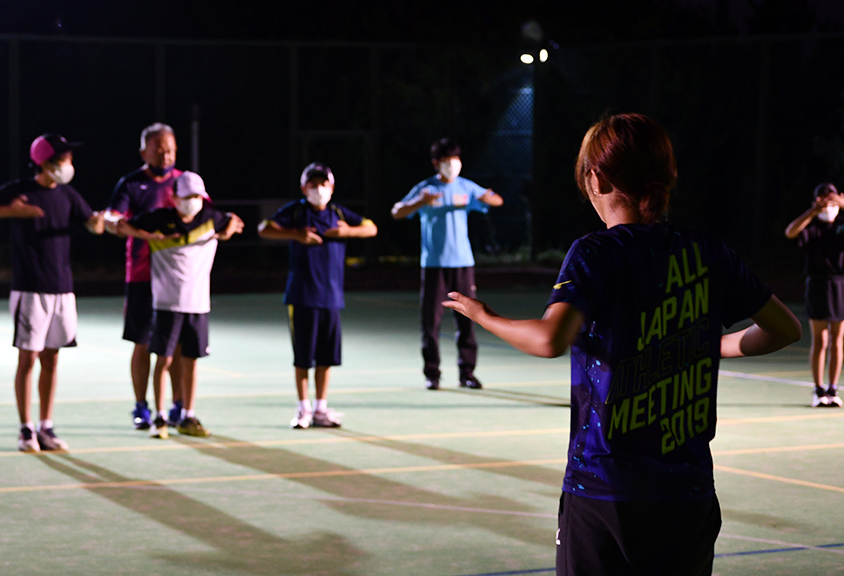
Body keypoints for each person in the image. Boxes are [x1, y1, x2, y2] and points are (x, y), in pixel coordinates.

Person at [443, 113, 800, 575]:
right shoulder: (709, 253)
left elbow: (551, 338)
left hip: (605, 491)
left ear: (596, 177)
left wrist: (485, 316)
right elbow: (785, 329)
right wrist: (718, 344)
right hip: (686, 494)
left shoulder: (596, 252)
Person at [0, 133, 105, 452]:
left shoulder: (68, 194)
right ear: (45, 162)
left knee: (52, 358)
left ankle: (46, 427)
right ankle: (25, 429)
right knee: (27, 358)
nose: (69, 164)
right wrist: (11, 212)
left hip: (63, 289)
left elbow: (92, 224)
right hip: (30, 289)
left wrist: (102, 221)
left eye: (70, 158)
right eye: (64, 158)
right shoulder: (19, 191)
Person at [116, 171, 243, 438]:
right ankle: (160, 418)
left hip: (198, 305)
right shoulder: (159, 219)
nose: (192, 201)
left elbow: (234, 221)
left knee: (191, 361)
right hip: (166, 304)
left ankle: (187, 414)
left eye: (197, 196)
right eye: (187, 197)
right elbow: (122, 226)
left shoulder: (210, 219)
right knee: (163, 359)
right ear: (174, 198)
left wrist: (230, 230)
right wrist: (146, 237)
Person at [258, 163, 378, 429]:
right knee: (303, 358)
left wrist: (347, 231)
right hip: (302, 296)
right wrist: (296, 234)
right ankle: (303, 409)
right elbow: (264, 228)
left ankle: (321, 409)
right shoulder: (297, 212)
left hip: (331, 298)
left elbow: (371, 227)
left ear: (332, 187)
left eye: (323, 184)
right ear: (304, 188)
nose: (318, 189)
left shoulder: (337, 212)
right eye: (313, 184)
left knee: (326, 358)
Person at [391, 138, 504, 391]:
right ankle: (432, 373)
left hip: (463, 264)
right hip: (434, 265)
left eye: (456, 160)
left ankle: (467, 373)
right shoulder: (426, 188)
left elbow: (497, 201)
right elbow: (397, 211)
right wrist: (421, 202)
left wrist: (486, 195)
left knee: (467, 319)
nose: (452, 165)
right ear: (436, 164)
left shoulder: (466, 186)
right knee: (430, 322)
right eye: (446, 161)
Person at [104, 123, 188, 431]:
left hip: (178, 278)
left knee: (177, 345)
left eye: (170, 148)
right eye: (158, 148)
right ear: (144, 151)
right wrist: (129, 228)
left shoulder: (185, 183)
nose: (165, 154)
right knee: (142, 342)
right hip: (142, 275)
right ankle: (141, 407)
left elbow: (205, 216)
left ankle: (179, 405)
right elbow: (114, 219)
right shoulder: (130, 184)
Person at [784, 182, 844, 407]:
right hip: (817, 284)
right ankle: (818, 390)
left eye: (831, 198)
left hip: (840, 283)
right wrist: (813, 211)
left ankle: (833, 388)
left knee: (838, 340)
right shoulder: (811, 225)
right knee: (821, 339)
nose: (828, 203)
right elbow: (790, 232)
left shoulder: (841, 222)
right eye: (823, 199)